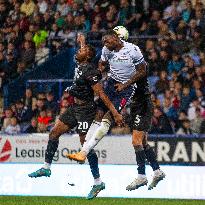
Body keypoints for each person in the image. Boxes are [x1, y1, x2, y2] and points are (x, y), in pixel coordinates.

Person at [68, 29, 165, 191]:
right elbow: (102, 64)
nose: (105, 45)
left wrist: (125, 85)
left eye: (107, 41)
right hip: (125, 95)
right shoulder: (108, 50)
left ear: (117, 38)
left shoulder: (133, 51)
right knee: (142, 142)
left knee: (135, 140)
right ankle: (157, 171)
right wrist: (99, 71)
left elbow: (143, 71)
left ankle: (141, 176)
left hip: (142, 102)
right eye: (104, 43)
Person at [28, 43, 123, 199]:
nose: (79, 50)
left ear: (88, 56)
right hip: (73, 108)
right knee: (53, 133)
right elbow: (83, 51)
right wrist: (82, 41)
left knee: (85, 145)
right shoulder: (80, 63)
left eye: (82, 50)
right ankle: (46, 167)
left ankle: (98, 182)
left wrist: (115, 112)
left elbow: (101, 94)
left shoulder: (91, 72)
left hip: (86, 111)